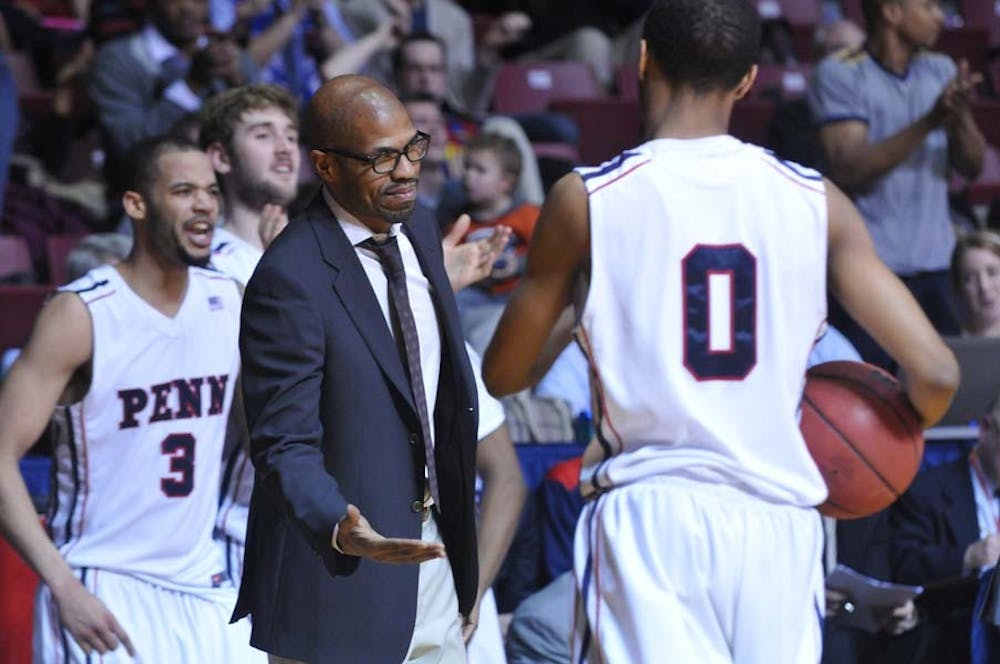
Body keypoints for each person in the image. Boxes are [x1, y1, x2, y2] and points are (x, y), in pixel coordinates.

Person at [482, 1, 960, 662]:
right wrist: (884, 441)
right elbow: (937, 375)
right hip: (778, 526)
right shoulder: (816, 201)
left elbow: (505, 376)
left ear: (642, 60)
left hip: (651, 516)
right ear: (748, 81)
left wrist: (586, 295)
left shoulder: (587, 198)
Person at [234, 74, 480, 663]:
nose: (405, 170)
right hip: (340, 577)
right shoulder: (289, 277)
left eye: (411, 147)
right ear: (324, 166)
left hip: (434, 559)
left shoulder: (418, 229)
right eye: (381, 158)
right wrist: (341, 527)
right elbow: (281, 443)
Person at [0, 135, 263, 662]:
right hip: (103, 584)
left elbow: (265, 439)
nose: (205, 204)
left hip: (203, 580)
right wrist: (63, 584)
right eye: (184, 191)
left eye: (211, 191)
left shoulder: (227, 302)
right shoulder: (82, 313)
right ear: (136, 204)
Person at [808, 0, 986, 367]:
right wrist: (930, 120)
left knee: (947, 396)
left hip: (939, 267)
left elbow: (972, 166)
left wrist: (959, 116)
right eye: (928, 6)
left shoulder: (941, 69)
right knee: (875, 397)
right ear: (891, 12)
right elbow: (848, 168)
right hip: (870, 273)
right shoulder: (839, 74)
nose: (940, 17)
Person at [889, 394, 1000, 663]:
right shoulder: (926, 490)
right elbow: (901, 565)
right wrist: (969, 556)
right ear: (986, 429)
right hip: (954, 640)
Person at [88, 0, 259, 162]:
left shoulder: (228, 53)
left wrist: (237, 82)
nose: (187, 7)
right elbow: (129, 143)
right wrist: (192, 85)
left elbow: (265, 127)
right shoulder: (118, 59)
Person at [452, 131, 539, 355]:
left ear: (506, 182)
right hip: (479, 296)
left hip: (517, 294)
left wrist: (518, 264)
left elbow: (547, 253)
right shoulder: (461, 222)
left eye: (480, 170)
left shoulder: (527, 215)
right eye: (468, 167)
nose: (469, 176)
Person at [950, 230, 1000, 338]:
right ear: (959, 288)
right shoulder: (945, 348)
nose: (984, 286)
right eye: (969, 278)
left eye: (992, 273)